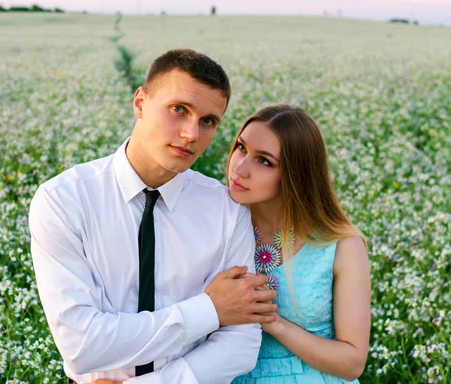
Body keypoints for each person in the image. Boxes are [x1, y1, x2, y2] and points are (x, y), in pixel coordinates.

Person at [28, 49, 278, 384]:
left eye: (208, 121)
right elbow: (81, 345)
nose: (191, 133)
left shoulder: (227, 210)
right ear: (140, 103)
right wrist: (209, 309)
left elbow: (241, 343)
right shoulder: (64, 201)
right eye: (179, 109)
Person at [227, 105, 371, 383]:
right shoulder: (215, 226)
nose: (240, 168)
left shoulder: (341, 246)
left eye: (264, 161)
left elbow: (352, 363)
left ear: (296, 175)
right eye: (241, 148)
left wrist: (273, 322)